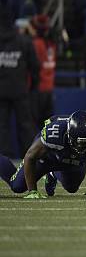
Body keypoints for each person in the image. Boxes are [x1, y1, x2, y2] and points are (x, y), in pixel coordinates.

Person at [0, 111, 86, 199]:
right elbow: (30, 156)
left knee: (71, 188)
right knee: (17, 186)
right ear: (68, 135)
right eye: (78, 142)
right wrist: (32, 191)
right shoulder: (54, 134)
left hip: (73, 163)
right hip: (48, 158)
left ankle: (52, 175)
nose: (81, 147)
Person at [0, 21, 38, 158]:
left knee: (2, 126)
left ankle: (3, 158)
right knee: (26, 124)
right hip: (20, 90)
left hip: (1, 91)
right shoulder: (24, 41)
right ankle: (30, 155)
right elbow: (35, 66)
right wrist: (33, 86)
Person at [29, 14, 56, 129]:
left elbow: (33, 66)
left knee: (34, 125)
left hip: (38, 90)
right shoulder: (52, 43)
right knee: (47, 125)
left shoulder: (35, 44)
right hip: (49, 89)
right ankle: (47, 146)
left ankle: (38, 146)